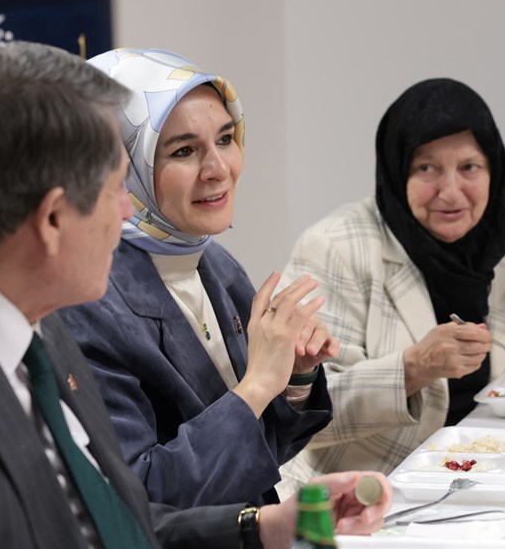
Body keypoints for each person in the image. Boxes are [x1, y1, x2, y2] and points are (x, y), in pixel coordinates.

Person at [0, 41, 389, 549]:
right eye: (117, 188)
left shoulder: (33, 327)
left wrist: (262, 529)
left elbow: (109, 513)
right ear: (53, 218)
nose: (130, 211)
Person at [277, 78, 505, 487]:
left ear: (494, 168)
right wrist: (413, 368)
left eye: (469, 167)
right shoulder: (336, 246)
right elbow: (299, 413)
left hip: (485, 469)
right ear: (397, 169)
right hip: (367, 485)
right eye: (426, 168)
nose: (451, 192)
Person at [58, 48, 336, 510]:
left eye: (226, 139)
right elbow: (140, 495)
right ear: (121, 168)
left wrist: (296, 375)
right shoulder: (87, 300)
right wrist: (257, 385)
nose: (219, 169)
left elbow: (257, 454)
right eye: (184, 151)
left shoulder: (215, 263)